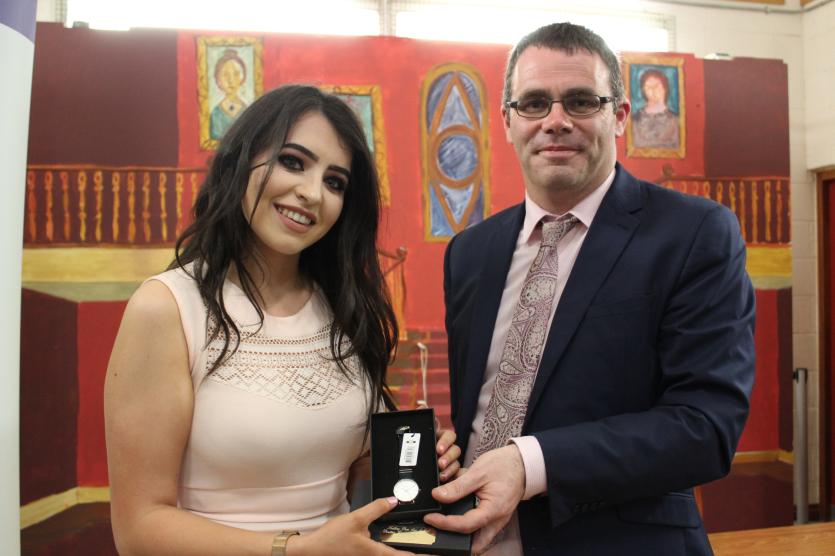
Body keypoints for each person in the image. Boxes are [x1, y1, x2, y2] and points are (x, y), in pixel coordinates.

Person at [425, 22, 754, 556]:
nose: (555, 122)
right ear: (508, 121)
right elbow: (481, 411)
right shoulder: (470, 252)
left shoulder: (694, 233)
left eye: (580, 101)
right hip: (475, 542)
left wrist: (529, 463)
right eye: (533, 103)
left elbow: (705, 428)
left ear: (619, 116)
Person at [105, 84, 460, 556]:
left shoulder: (345, 310)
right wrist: (296, 550)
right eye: (293, 162)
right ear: (241, 160)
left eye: (335, 182)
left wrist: (414, 458)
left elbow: (333, 465)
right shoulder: (168, 308)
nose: (312, 193)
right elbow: (138, 529)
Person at [631, 68, 680, 150]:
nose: (653, 90)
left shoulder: (675, 120)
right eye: (648, 87)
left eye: (657, 86)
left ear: (665, 88)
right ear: (644, 91)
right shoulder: (635, 119)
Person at [210, 49, 249, 140]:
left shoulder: (248, 111)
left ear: (243, 77)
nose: (231, 80)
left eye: (236, 74)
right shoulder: (216, 113)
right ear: (218, 80)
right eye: (225, 75)